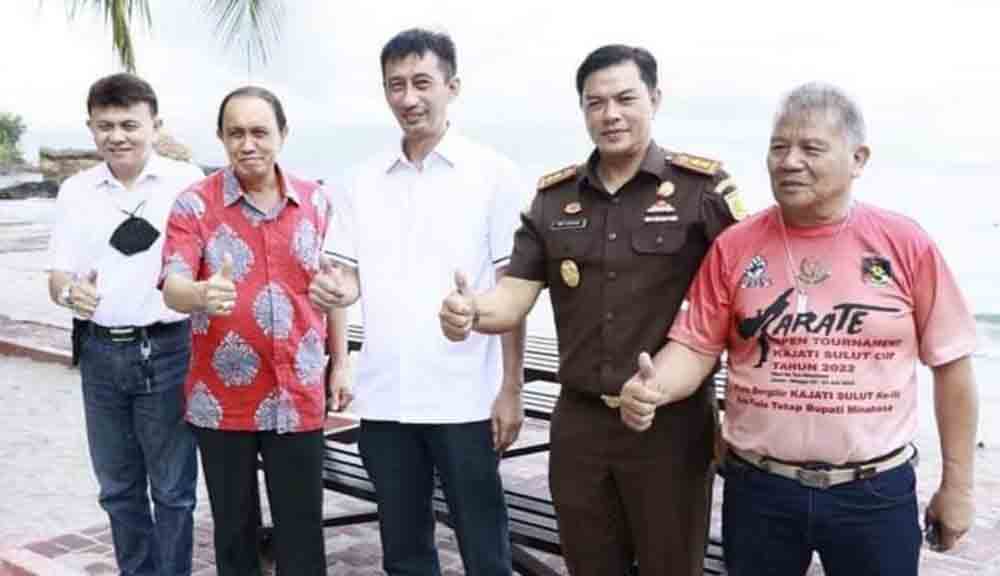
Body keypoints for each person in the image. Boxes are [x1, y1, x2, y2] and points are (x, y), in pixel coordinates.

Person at [619, 82, 979, 575]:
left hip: (873, 493)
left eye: (811, 148)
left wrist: (958, 486)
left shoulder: (904, 243)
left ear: (858, 158)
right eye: (778, 147)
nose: (789, 162)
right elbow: (695, 346)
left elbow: (952, 365)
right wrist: (653, 387)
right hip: (760, 491)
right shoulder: (735, 246)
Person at [439, 44, 744, 575]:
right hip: (580, 423)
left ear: (655, 99)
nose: (610, 114)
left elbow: (747, 299)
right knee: (588, 564)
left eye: (625, 99)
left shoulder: (701, 192)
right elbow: (513, 296)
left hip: (670, 427)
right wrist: (472, 312)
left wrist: (740, 408)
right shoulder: (554, 199)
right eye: (595, 102)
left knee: (672, 566)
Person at [309, 28, 525, 575]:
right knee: (404, 552)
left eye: (422, 82)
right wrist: (336, 291)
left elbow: (513, 289)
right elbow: (347, 279)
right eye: (395, 85)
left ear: (453, 87)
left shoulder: (495, 174)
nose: (408, 98)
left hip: (466, 399)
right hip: (386, 398)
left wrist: (511, 387)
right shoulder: (357, 181)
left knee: (485, 549)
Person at [160, 85, 348, 576]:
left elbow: (334, 288)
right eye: (236, 133)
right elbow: (173, 286)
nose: (248, 144)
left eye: (260, 132)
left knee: (302, 532)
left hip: (298, 392)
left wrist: (342, 364)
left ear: (282, 134)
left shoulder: (317, 202)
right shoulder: (193, 205)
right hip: (221, 400)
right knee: (234, 534)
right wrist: (200, 293)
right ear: (221, 137)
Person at [45, 73, 202, 576]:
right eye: (105, 125)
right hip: (100, 355)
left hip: (170, 348)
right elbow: (57, 277)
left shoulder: (186, 181)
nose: (117, 136)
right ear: (91, 128)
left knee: (173, 490)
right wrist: (70, 293)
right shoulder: (75, 191)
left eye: (130, 124)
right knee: (117, 490)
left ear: (155, 125)